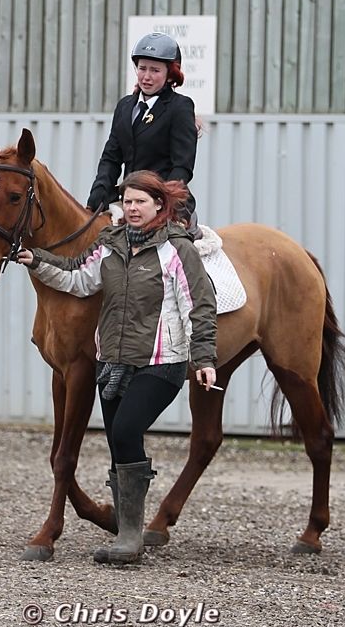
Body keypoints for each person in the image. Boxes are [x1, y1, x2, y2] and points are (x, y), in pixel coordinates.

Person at [17, 170, 217, 565]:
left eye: (141, 201)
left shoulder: (177, 249)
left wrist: (205, 358)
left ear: (159, 205)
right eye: (128, 202)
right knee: (117, 442)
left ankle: (128, 536)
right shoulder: (110, 244)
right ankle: (127, 528)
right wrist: (37, 261)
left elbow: (199, 305)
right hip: (113, 362)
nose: (133, 208)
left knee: (126, 430)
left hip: (161, 362)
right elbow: (78, 278)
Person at [86, 32, 201, 236]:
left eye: (155, 70)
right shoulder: (124, 107)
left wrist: (160, 202)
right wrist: (97, 195)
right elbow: (111, 158)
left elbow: (182, 167)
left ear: (170, 75)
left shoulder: (180, 107)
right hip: (129, 199)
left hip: (165, 202)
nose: (146, 77)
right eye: (142, 68)